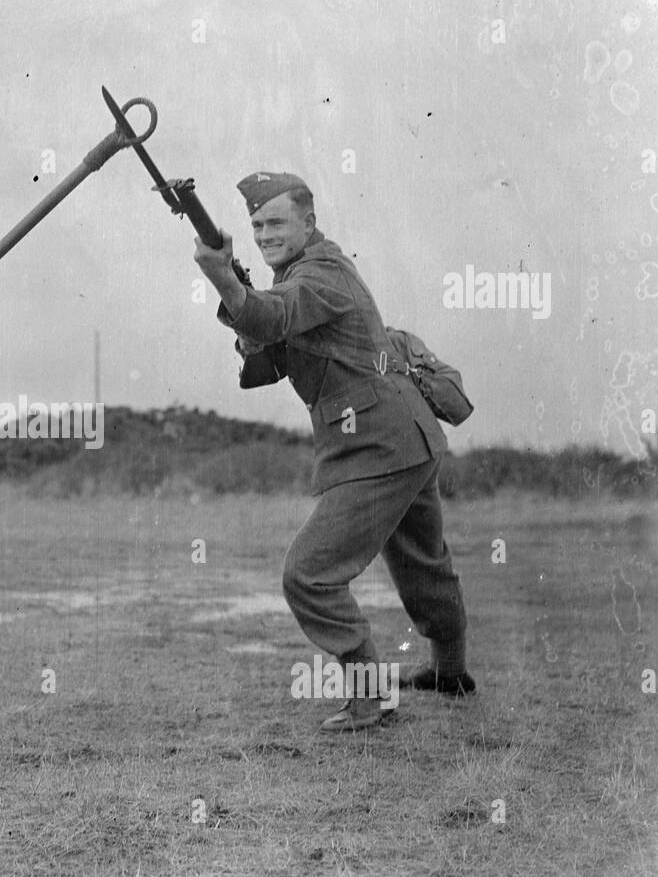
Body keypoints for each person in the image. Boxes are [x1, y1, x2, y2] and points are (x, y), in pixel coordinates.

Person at [192, 171, 472, 732]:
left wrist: (225, 280)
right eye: (257, 226)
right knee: (422, 563)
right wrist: (243, 306)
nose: (265, 233)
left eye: (277, 222)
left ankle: (370, 697)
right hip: (405, 438)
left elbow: (273, 316)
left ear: (309, 222)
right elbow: (267, 358)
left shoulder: (321, 272)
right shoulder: (297, 275)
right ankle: (448, 672)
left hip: (378, 445)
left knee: (309, 574)